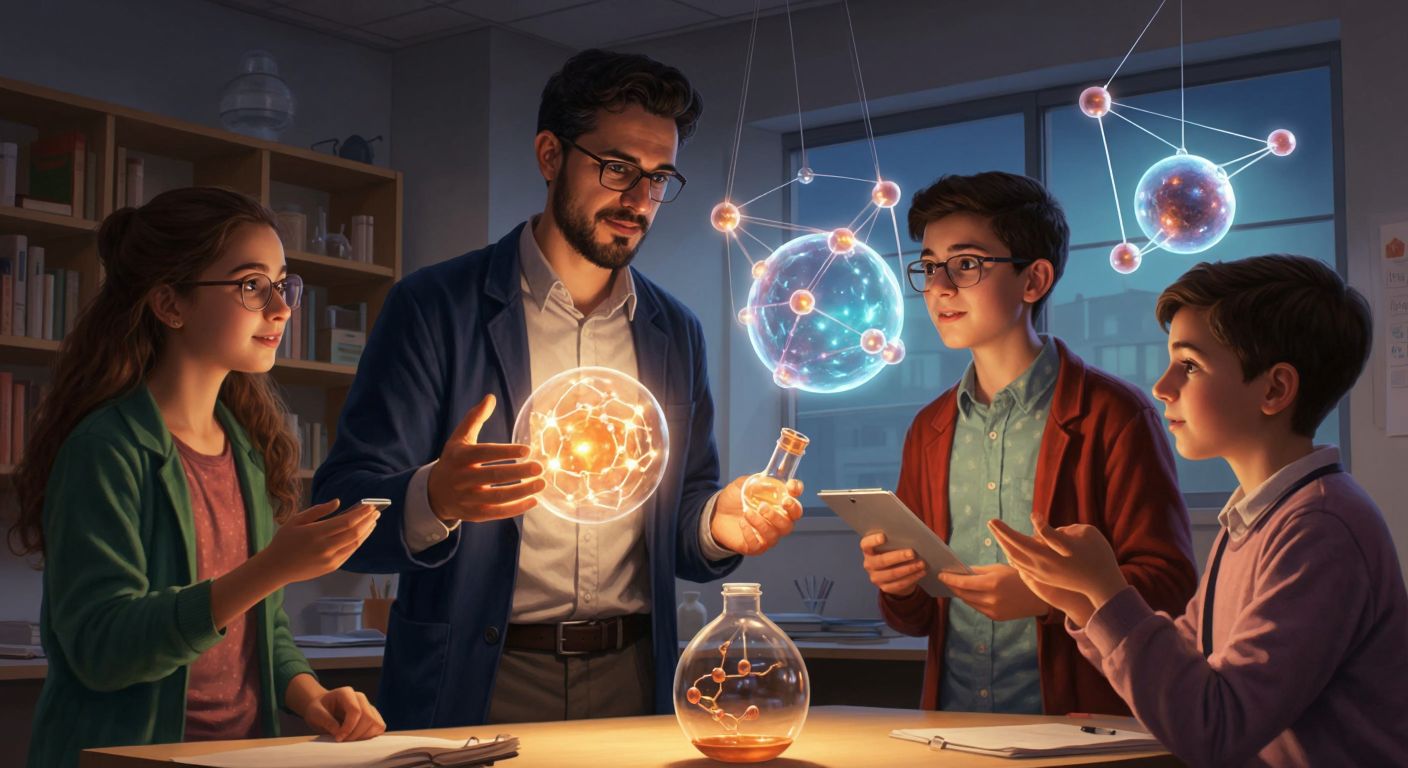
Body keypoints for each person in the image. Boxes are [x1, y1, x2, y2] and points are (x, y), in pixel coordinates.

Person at [312, 49, 803, 729]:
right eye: (618, 168)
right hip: (481, 677)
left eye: (658, 178)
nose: (638, 200)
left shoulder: (675, 332)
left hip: (636, 676)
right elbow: (341, 509)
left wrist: (721, 522)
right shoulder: (434, 308)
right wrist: (436, 496)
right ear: (550, 155)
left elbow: (684, 526)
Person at [9, 187, 385, 768]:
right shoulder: (105, 449)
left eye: (284, 285)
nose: (281, 308)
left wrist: (310, 695)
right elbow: (101, 648)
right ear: (170, 304)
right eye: (251, 285)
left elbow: (262, 626)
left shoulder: (246, 449)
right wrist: (272, 568)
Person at [991, 254, 1408, 765]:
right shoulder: (1256, 517)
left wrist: (1107, 590)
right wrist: (1082, 600)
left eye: (1189, 365)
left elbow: (1214, 728)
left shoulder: (1319, 527)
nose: (1162, 387)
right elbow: (1183, 671)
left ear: (1275, 389)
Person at [859, 171, 1196, 715]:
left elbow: (1169, 586)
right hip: (954, 730)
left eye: (966, 264)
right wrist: (898, 585)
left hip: (1079, 732)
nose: (940, 286)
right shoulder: (930, 428)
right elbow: (917, 619)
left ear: (1033, 280)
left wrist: (1045, 597)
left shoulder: (1115, 415)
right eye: (928, 266)